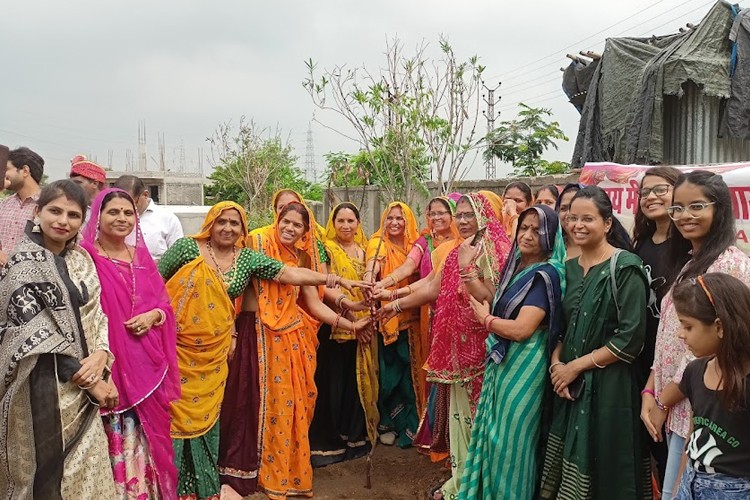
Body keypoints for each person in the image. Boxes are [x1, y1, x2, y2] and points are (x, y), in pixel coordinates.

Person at [377, 192, 512, 499]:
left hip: (483, 351)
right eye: (459, 215)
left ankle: (478, 482)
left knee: (480, 419)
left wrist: (469, 268)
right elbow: (431, 288)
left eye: (469, 215)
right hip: (456, 353)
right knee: (459, 418)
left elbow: (494, 297)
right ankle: (463, 478)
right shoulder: (456, 250)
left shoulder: (497, 249)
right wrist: (393, 304)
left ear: (485, 214)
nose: (462, 221)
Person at [0, 180, 118, 498]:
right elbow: (34, 334)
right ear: (37, 212)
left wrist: (103, 354)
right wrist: (90, 380)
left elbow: (98, 315)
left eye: (73, 214)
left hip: (86, 386)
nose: (62, 221)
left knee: (89, 473)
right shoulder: (21, 265)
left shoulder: (82, 260)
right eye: (54, 211)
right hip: (42, 390)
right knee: (44, 476)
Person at [641, 170, 750, 500]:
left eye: (696, 206)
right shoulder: (690, 262)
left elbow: (715, 349)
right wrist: (650, 389)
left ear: (719, 209)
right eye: (678, 208)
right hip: (674, 404)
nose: (684, 216)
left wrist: (662, 399)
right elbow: (670, 338)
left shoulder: (729, 264)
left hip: (703, 410)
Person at [250, 201, 371, 499]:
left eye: (297, 225)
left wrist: (352, 320)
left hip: (295, 337)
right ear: (276, 220)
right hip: (264, 336)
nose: (289, 228)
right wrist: (338, 280)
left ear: (306, 231)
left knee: (298, 405)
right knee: (273, 405)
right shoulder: (258, 243)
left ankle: (289, 469)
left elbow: (315, 305)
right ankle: (266, 472)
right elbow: (285, 277)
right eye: (285, 222)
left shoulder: (302, 257)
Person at [540, 186, 653, 500]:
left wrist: (574, 367)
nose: (577, 224)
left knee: (608, 466)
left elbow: (630, 339)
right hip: (570, 387)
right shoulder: (569, 270)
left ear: (606, 223)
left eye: (587, 218)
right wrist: (557, 367)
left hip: (611, 386)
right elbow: (561, 328)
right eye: (572, 217)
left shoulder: (625, 267)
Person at [459, 204, 565, 499]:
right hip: (505, 362)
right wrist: (465, 266)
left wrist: (485, 321)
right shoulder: (518, 264)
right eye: (524, 227)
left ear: (551, 237)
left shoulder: (545, 275)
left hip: (525, 366)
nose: (528, 235)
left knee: (512, 444)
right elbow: (491, 299)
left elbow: (522, 329)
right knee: (496, 438)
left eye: (537, 229)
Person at [80, 188, 180, 498]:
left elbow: (164, 306)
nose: (121, 218)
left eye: (127, 213)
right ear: (98, 216)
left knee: (145, 437)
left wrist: (152, 316)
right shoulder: (85, 255)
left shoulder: (141, 257)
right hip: (105, 363)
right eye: (113, 212)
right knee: (110, 434)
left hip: (144, 363)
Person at [373, 194, 461, 458]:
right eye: (432, 213)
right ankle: (432, 430)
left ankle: (450, 435)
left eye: (442, 213)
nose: (436, 218)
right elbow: (409, 267)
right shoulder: (425, 241)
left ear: (453, 215)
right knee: (428, 370)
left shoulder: (465, 245)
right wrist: (386, 285)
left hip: (455, 316)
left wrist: (393, 297)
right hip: (427, 312)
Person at [658, 273, 750, 499]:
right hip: (691, 482)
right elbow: (692, 439)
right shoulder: (695, 371)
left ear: (719, 326)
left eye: (688, 327)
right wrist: (680, 486)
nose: (681, 334)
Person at [309, 202, 378, 468]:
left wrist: (367, 321)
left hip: (365, 326)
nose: (346, 226)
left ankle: (355, 439)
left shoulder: (366, 252)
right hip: (335, 326)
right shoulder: (325, 250)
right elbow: (324, 288)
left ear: (358, 224)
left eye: (351, 221)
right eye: (341, 221)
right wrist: (351, 317)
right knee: (332, 385)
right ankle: (330, 443)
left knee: (357, 384)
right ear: (332, 223)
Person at [631, 166, 688, 490]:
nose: (651, 197)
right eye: (645, 192)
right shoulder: (640, 243)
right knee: (652, 436)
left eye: (660, 190)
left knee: (675, 442)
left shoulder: (688, 246)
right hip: (644, 355)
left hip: (678, 358)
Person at [366, 202, 422, 448]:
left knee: (411, 375)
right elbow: (374, 263)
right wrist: (369, 277)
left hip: (413, 315)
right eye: (390, 218)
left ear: (408, 220)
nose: (395, 223)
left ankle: (411, 425)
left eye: (400, 218)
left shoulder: (417, 245)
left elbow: (413, 268)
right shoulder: (377, 242)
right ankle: (387, 421)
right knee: (388, 375)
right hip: (387, 317)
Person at [113, 174, 184, 262]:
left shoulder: (168, 219)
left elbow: (178, 258)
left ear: (145, 195)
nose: (126, 210)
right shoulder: (110, 220)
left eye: (131, 204)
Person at [0, 146, 44, 264]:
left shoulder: (47, 207)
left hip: (29, 279)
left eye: (7, 169)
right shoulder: (5, 205)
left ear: (25, 171)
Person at [555, 183, 585, 260]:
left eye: (574, 207)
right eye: (563, 208)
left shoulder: (605, 254)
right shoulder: (552, 250)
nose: (568, 214)